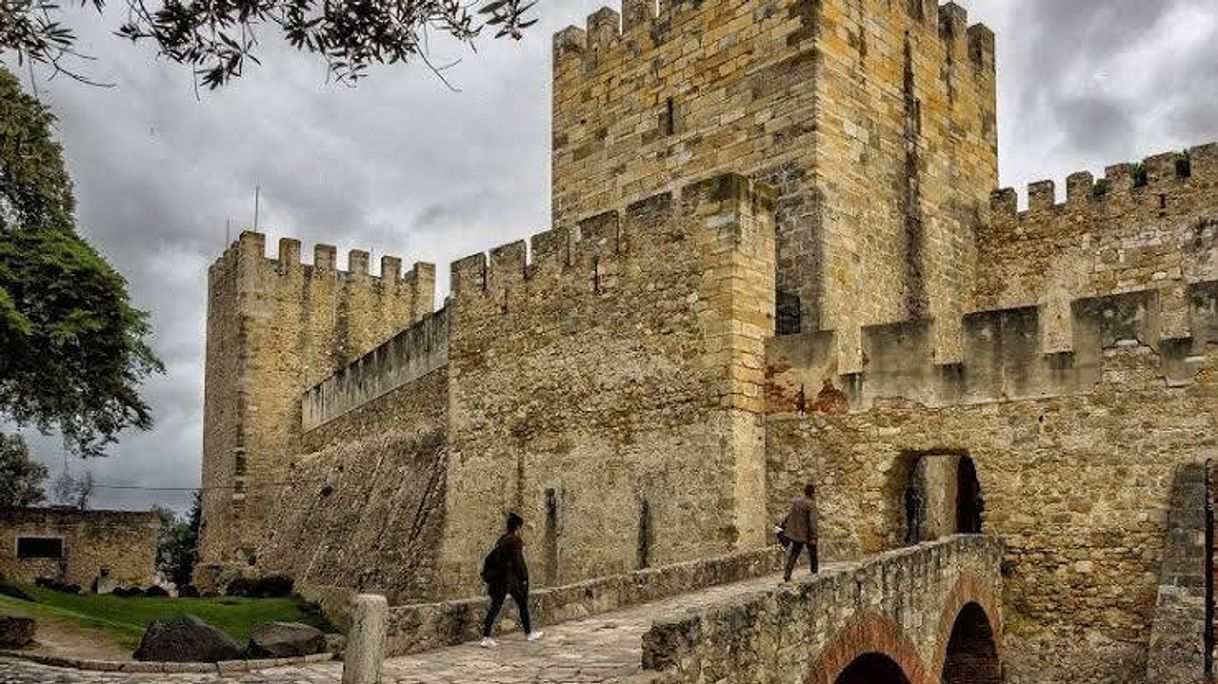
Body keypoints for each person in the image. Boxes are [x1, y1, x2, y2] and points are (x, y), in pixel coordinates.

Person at [480, 512, 544, 647]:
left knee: (518, 604)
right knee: (499, 606)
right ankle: (486, 637)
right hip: (507, 580)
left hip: (503, 579)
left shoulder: (503, 539)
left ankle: (528, 632)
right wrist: (524, 578)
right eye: (521, 528)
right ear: (518, 528)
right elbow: (518, 561)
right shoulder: (514, 541)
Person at [782, 483, 819, 582]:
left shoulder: (797, 502)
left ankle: (787, 573)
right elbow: (813, 522)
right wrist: (814, 537)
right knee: (813, 553)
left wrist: (787, 530)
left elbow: (789, 516)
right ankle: (814, 572)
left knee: (794, 553)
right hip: (806, 534)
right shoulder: (811, 504)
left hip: (796, 533)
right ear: (812, 494)